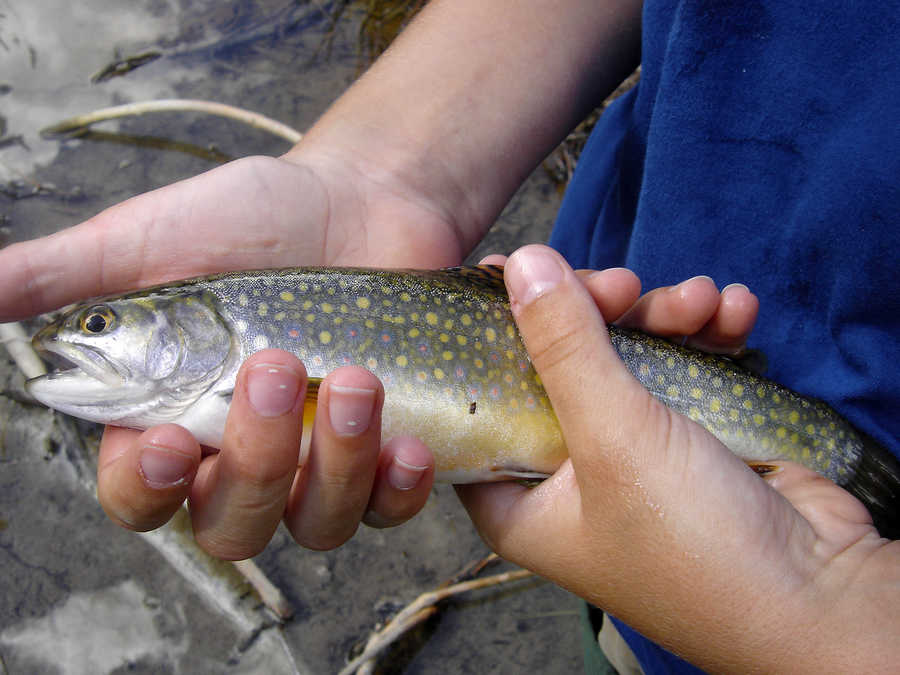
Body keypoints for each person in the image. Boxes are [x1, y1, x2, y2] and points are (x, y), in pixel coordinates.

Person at [1, 1, 897, 672]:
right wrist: (383, 170)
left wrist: (825, 618)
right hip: (658, 444)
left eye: (100, 324)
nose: (83, 337)